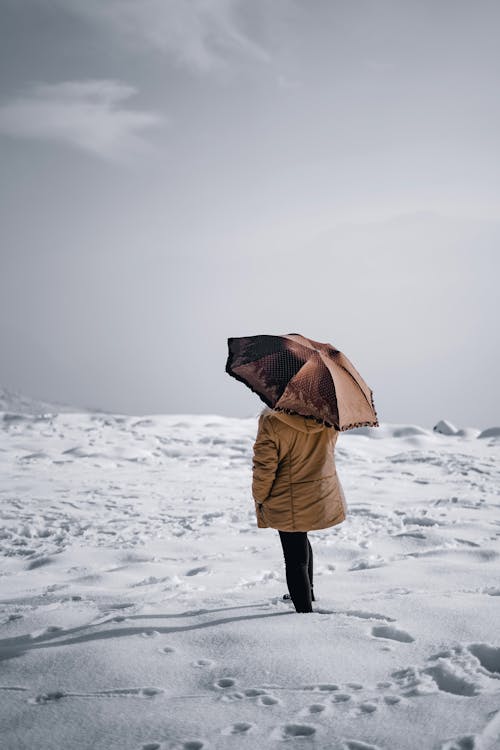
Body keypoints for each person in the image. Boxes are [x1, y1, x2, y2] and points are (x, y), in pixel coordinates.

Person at [252, 405, 347, 613]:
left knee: (294, 556)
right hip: (318, 491)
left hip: (287, 497)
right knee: (300, 540)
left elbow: (265, 467)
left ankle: (304, 614)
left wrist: (260, 497)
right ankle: (307, 592)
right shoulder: (327, 416)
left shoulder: (272, 421)